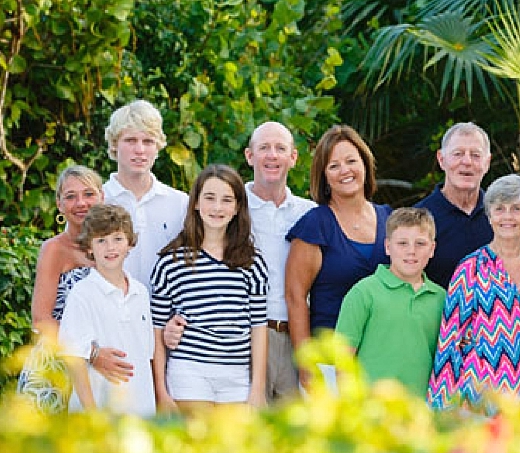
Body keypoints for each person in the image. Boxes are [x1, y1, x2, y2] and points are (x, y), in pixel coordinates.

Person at [162, 121, 316, 402]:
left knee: (294, 436)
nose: (272, 155)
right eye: (264, 148)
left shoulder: (309, 213)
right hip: (243, 340)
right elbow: (188, 264)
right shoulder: (228, 204)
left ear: (293, 158)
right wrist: (171, 321)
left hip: (296, 336)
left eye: (280, 148)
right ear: (249, 156)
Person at [150, 165, 269, 414]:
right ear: (195, 203)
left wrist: (257, 388)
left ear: (237, 208)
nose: (217, 208)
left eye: (226, 200)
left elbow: (258, 328)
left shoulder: (252, 262)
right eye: (209, 198)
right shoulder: (171, 262)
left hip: (236, 375)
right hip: (189, 371)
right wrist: (161, 389)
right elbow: (157, 329)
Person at [427, 174, 520, 414]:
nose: (508, 216)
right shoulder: (471, 267)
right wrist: (441, 408)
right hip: (476, 398)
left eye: (516, 209)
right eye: (500, 209)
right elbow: (450, 339)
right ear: (490, 216)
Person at [17, 166, 133, 412]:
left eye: (88, 194)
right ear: (59, 204)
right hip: (58, 366)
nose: (80, 202)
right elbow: (41, 319)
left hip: (105, 367)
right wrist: (91, 353)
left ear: (102, 196)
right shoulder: (54, 250)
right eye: (70, 196)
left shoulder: (114, 247)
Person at [285, 124, 392, 360]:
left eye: (351, 161)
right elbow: (295, 298)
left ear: (365, 163)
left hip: (382, 359)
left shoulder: (390, 220)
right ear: (324, 176)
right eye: (334, 166)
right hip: (330, 361)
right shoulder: (315, 225)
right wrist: (307, 365)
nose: (345, 170)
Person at [335, 207, 446, 399]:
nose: (411, 251)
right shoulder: (363, 293)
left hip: (422, 414)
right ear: (387, 246)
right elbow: (342, 361)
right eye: (402, 243)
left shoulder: (442, 298)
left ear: (432, 249)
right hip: (372, 413)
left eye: (420, 243)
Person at [58, 203, 156, 417]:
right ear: (89, 248)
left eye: (117, 239)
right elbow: (73, 356)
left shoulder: (141, 293)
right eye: (101, 241)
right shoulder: (82, 294)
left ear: (129, 244)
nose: (110, 248)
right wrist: (92, 413)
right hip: (98, 412)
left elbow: (145, 355)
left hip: (140, 408)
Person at [103, 99, 188, 289]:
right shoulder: (97, 200)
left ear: (158, 147)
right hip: (109, 313)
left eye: (148, 141)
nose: (140, 150)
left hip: (165, 316)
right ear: (115, 144)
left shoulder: (180, 203)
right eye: (130, 140)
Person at [415, 122, 495, 289]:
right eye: (457, 154)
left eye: (475, 155)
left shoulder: (504, 216)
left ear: (487, 163)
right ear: (441, 160)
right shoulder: (417, 219)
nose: (466, 161)